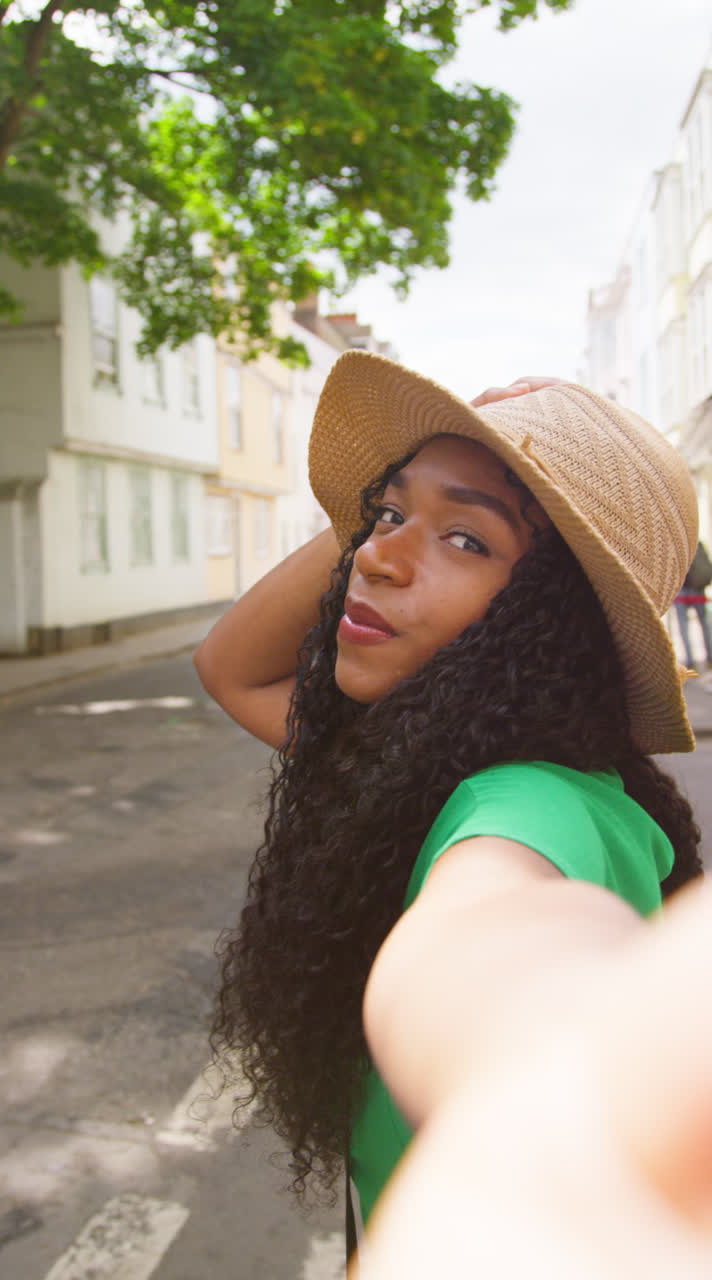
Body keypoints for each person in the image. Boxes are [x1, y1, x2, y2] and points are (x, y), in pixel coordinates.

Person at [194, 353, 708, 1275]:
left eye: (466, 540)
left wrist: (560, 1070)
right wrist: (448, 455)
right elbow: (233, 668)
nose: (374, 557)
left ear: (558, 618)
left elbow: (495, 927)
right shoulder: (414, 758)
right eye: (387, 515)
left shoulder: (528, 799)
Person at [673, 541, 712, 671]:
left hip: (683, 589)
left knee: (684, 626)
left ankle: (690, 661)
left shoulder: (673, 545)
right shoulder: (697, 543)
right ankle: (709, 657)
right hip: (696, 588)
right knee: (704, 624)